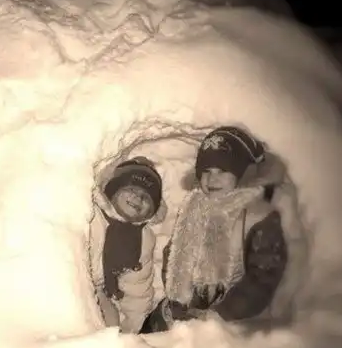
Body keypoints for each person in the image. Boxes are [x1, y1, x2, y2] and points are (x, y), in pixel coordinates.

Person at [141, 125, 291, 332]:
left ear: (243, 175)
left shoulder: (258, 216)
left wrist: (221, 313)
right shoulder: (194, 207)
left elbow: (263, 278)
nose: (212, 179)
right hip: (185, 307)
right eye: (206, 172)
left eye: (222, 171)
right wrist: (177, 297)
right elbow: (174, 251)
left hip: (232, 318)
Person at [90, 156, 168, 333]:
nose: (137, 198)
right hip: (74, 281)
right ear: (113, 189)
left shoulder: (143, 238)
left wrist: (134, 327)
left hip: (100, 291)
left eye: (146, 197)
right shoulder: (92, 216)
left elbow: (137, 287)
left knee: (111, 327)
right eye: (131, 189)